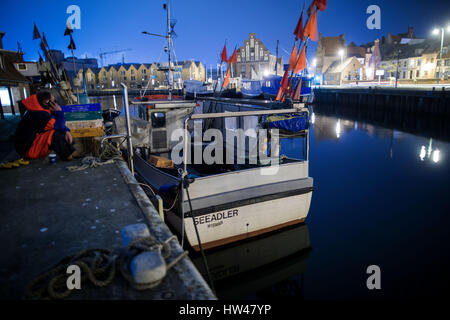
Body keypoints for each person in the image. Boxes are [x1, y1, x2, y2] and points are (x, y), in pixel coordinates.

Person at [15, 91, 80, 161]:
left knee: (59, 131)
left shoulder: (40, 109)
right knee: (55, 134)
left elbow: (57, 124)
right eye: (53, 101)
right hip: (28, 150)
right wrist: (59, 112)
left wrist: (66, 131)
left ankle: (72, 152)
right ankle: (68, 157)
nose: (55, 103)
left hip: (33, 143)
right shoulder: (38, 114)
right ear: (46, 102)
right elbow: (59, 126)